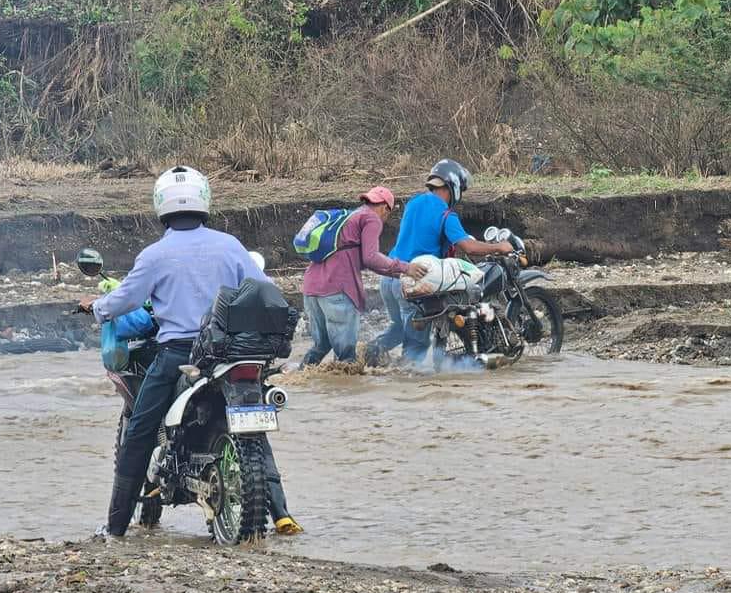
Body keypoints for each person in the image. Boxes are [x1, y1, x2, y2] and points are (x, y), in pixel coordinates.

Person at [80, 166, 303, 537]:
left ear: (160, 205)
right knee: (254, 427)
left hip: (178, 354)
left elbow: (125, 299)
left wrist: (96, 307)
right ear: (204, 200)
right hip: (231, 353)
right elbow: (266, 291)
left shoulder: (155, 254)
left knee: (138, 432)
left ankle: (116, 529)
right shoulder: (230, 246)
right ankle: (282, 515)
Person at [369, 160, 513, 363]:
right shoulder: (447, 214)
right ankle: (408, 384)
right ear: (453, 185)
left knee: (399, 328)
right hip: (412, 283)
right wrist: (499, 247)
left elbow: (425, 234)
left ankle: (365, 356)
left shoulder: (414, 203)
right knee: (417, 346)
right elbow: (468, 247)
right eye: (461, 188)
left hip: (389, 278)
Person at [298, 187, 426, 366]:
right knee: (346, 358)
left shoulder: (349, 218)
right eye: (387, 214)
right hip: (337, 290)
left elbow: (367, 262)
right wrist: (406, 268)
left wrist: (399, 276)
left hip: (311, 289)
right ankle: (346, 391)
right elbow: (371, 257)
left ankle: (303, 379)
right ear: (385, 208)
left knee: (321, 346)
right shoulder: (371, 218)